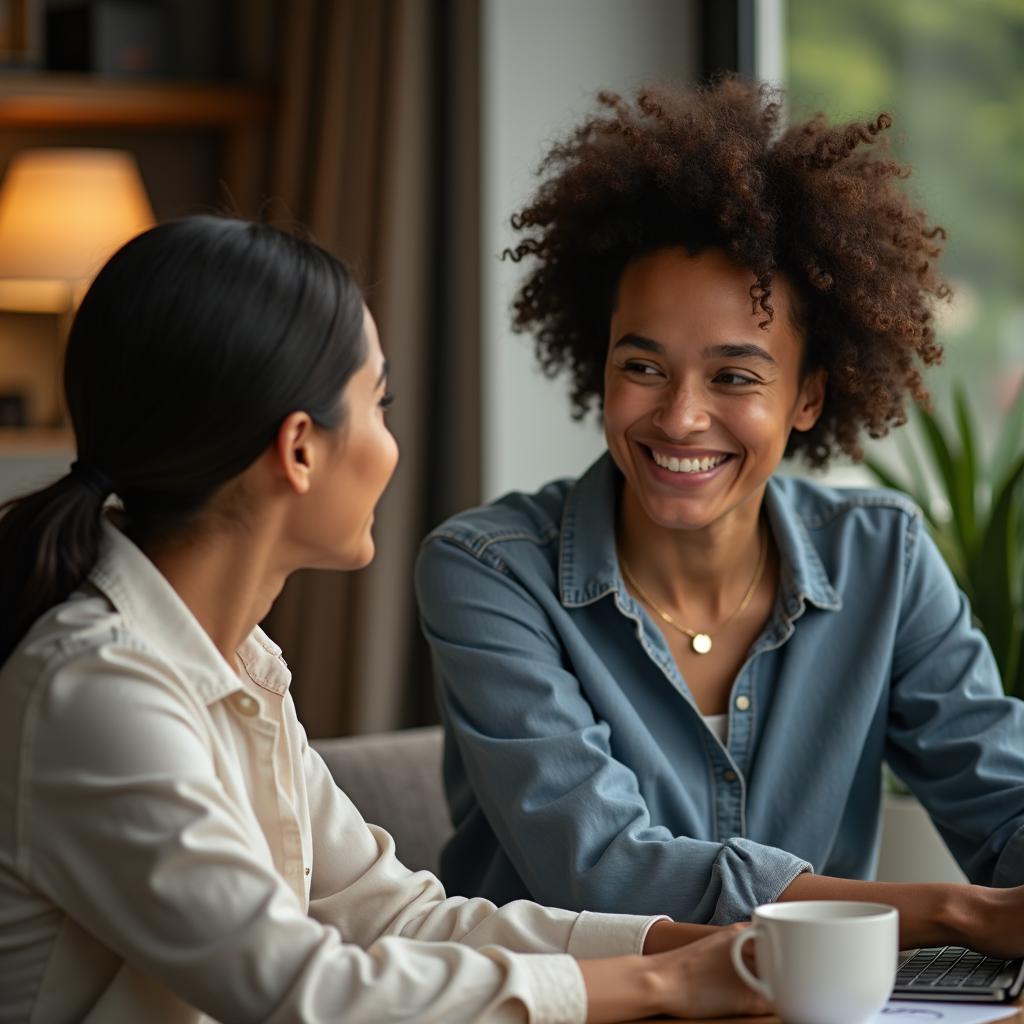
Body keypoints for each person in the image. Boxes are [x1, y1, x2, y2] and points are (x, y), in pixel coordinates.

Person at [0, 216, 765, 1022]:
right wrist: (670, 986)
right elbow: (310, 991)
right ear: (300, 450)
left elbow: (394, 918)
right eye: (379, 401)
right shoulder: (94, 690)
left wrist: (681, 946)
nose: (392, 446)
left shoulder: (233, 663)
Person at [415, 77, 1024, 954]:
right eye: (643, 366)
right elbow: (603, 872)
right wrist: (958, 912)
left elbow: (1002, 804)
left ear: (810, 396)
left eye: (734, 376)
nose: (681, 417)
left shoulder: (881, 556)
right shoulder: (488, 569)